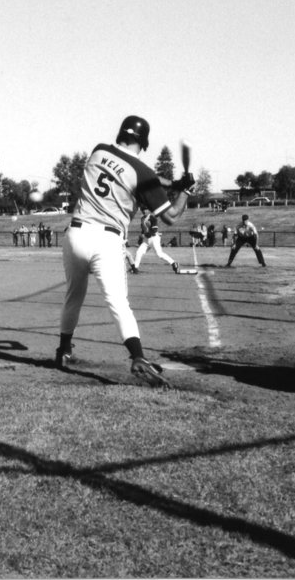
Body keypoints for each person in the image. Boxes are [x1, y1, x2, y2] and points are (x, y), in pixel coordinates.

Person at [56, 114, 193, 386]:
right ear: (143, 141)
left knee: (74, 297)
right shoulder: (143, 173)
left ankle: (63, 350)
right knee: (118, 302)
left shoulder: (99, 151)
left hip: (75, 234)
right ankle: (138, 357)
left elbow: (142, 176)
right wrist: (185, 190)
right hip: (105, 240)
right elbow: (172, 216)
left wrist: (172, 184)